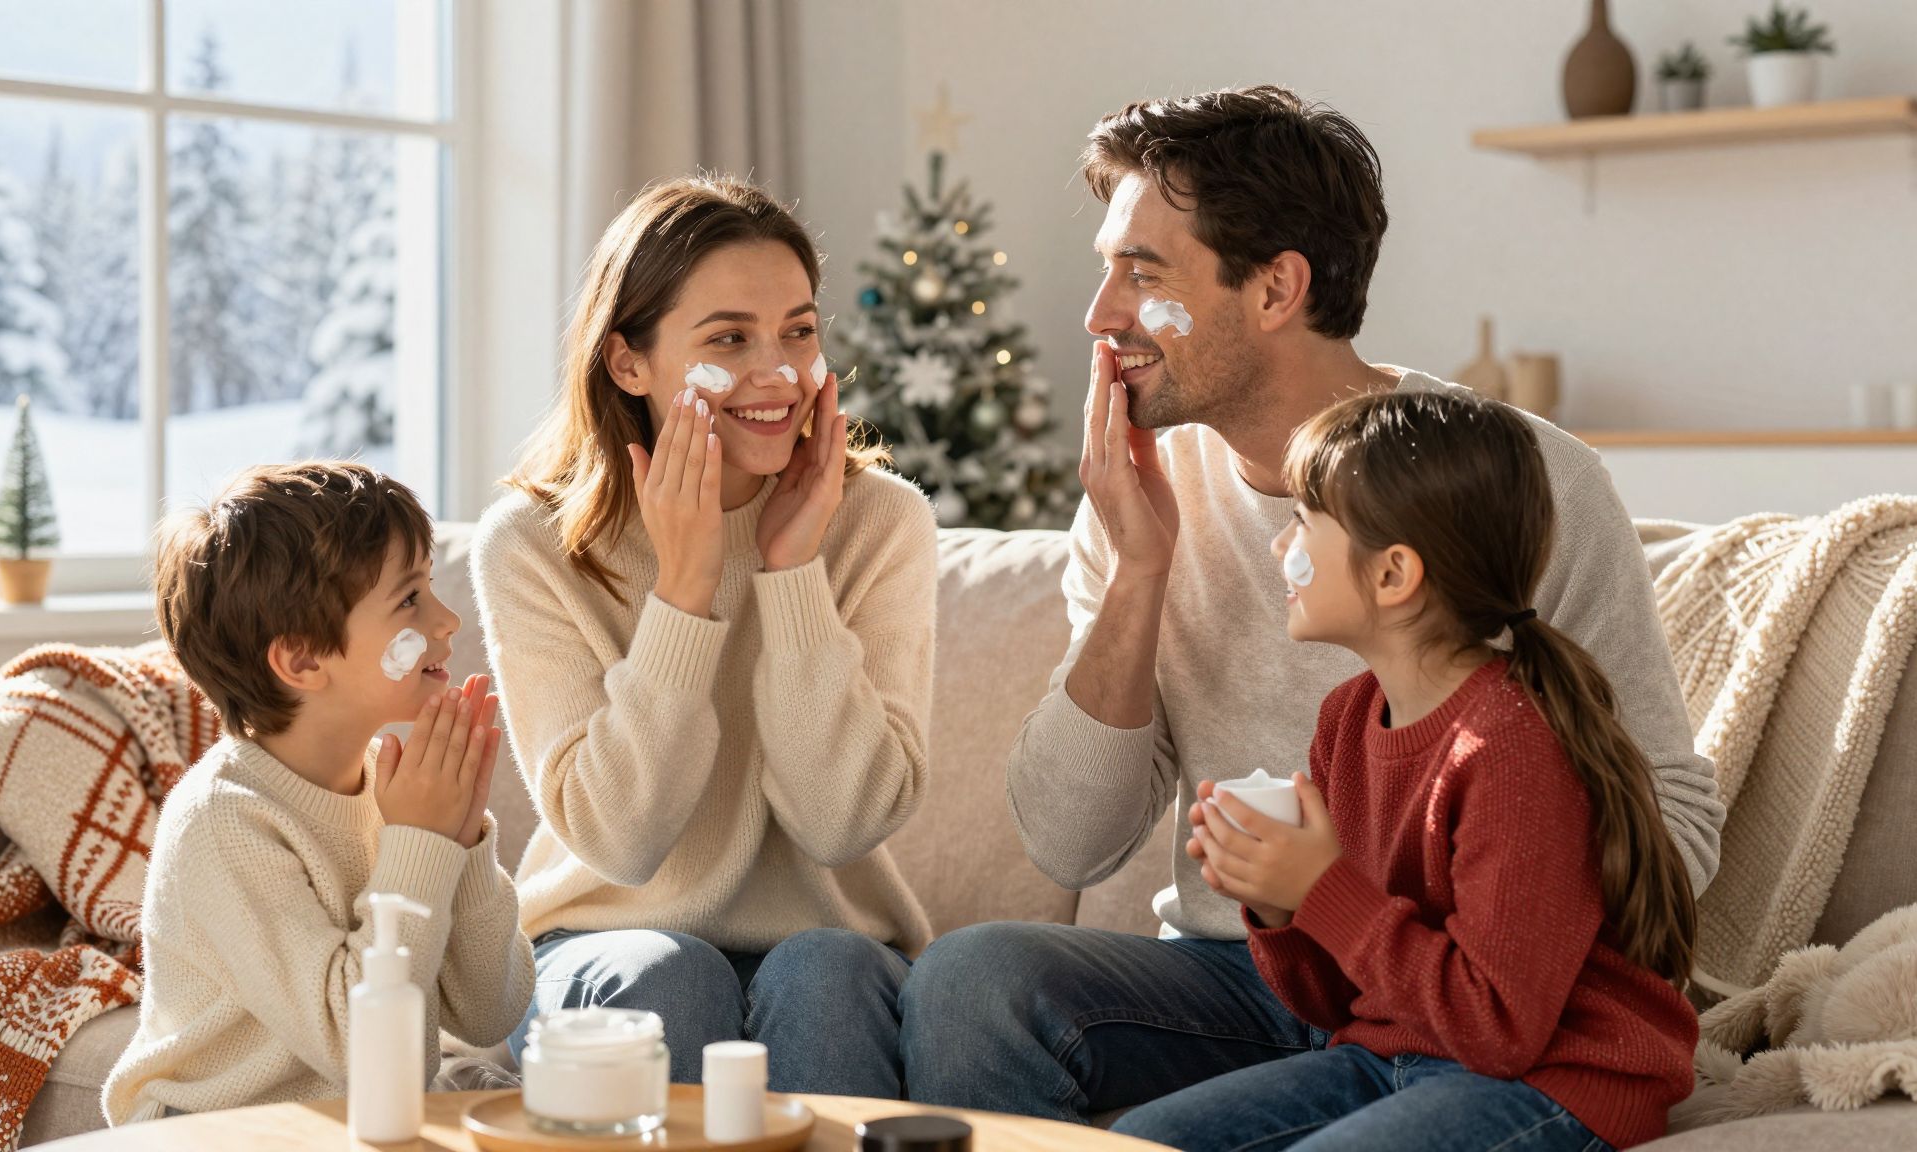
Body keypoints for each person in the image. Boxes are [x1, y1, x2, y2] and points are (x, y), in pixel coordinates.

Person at [899, 85, 1723, 1121]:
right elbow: (1070, 843)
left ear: (1276, 288)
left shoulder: (1515, 482)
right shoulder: (1139, 496)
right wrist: (1138, 570)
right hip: (1254, 970)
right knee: (972, 980)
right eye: (1107, 268)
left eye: (1142, 273)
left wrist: (1398, 912)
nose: (1099, 315)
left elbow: (1674, 827)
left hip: (1470, 990)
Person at [1112, 389, 1698, 1151]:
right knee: (1137, 1142)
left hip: (1552, 1079)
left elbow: (1500, 1032)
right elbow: (1335, 1002)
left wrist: (1321, 889)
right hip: (1396, 1056)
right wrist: (1277, 906)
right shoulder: (1348, 718)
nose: (1279, 547)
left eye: (1304, 521)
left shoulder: (1510, 747)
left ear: (1393, 575)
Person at [473, 175, 936, 1097]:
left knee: (826, 975)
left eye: (798, 332)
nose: (779, 373)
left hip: (831, 947)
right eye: (729, 339)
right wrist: (683, 593)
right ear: (628, 363)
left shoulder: (880, 522)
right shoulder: (532, 545)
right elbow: (620, 842)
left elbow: (843, 824)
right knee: (667, 977)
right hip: (600, 945)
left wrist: (791, 573)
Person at [105, 462, 532, 1124]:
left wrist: (462, 839)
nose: (448, 620)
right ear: (303, 660)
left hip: (361, 1114)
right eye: (410, 599)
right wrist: (419, 842)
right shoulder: (223, 823)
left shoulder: (390, 788)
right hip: (219, 1131)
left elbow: (489, 1011)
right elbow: (363, 1048)